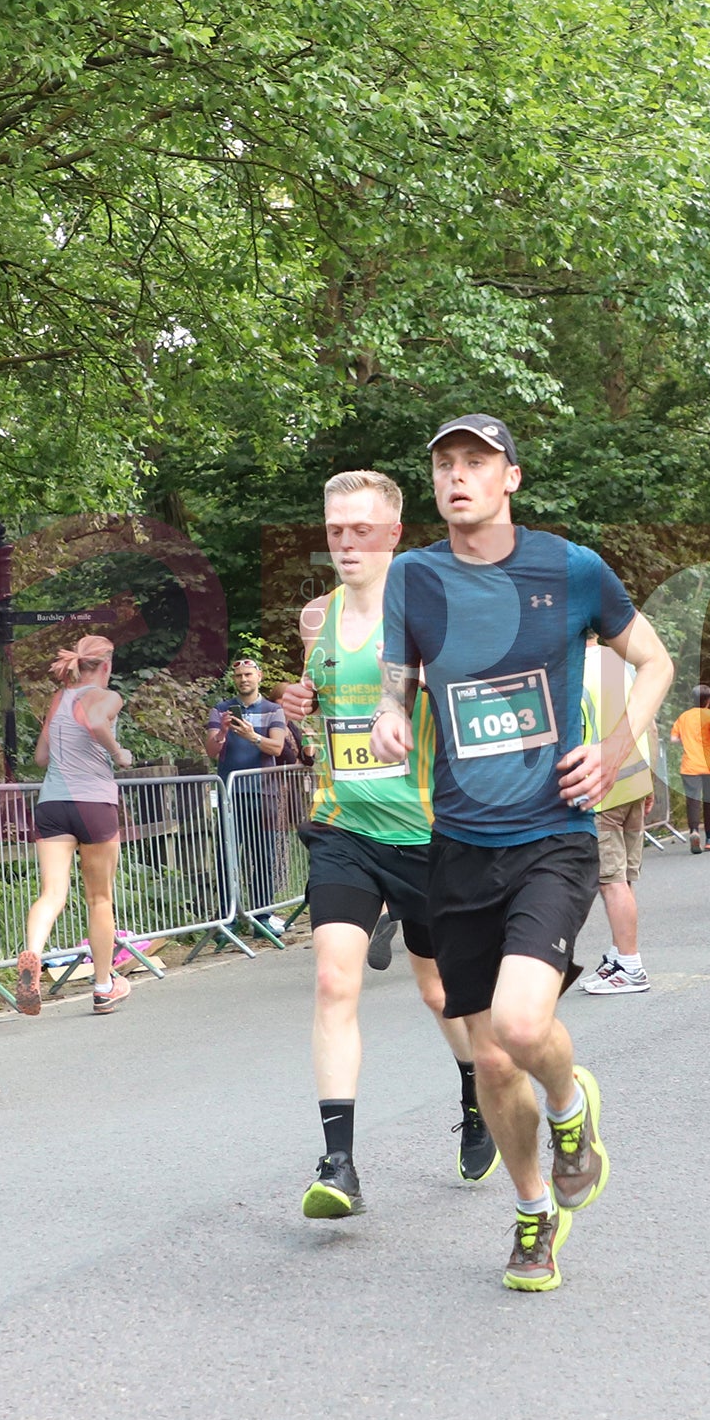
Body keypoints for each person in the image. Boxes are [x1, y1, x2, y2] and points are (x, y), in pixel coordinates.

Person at [372, 414, 673, 1291]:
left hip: (553, 834)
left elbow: (653, 660)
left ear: (510, 477)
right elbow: (399, 677)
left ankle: (571, 1105)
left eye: (477, 462)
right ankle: (535, 1211)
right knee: (493, 1060)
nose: (457, 476)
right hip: (460, 845)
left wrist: (614, 748)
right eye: (445, 464)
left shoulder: (570, 568)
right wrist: (391, 712)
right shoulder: (413, 578)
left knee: (519, 1026)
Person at [278, 469, 497, 1218]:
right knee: (333, 980)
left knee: (441, 992)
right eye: (335, 531)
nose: (347, 544)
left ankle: (475, 1094)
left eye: (362, 531)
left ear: (394, 534)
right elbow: (318, 699)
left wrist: (424, 690)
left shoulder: (433, 611)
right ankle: (338, 1163)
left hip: (431, 834)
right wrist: (298, 700)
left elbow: (479, 701)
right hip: (345, 827)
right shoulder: (318, 616)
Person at [15, 636, 134, 1017]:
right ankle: (103, 987)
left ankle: (32, 953)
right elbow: (97, 722)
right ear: (106, 665)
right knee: (99, 899)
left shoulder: (59, 699)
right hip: (93, 802)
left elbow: (41, 756)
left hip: (52, 803)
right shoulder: (108, 696)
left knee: (52, 893)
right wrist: (118, 753)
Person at [580, 635, 655, 994]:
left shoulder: (572, 671)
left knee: (611, 881)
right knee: (623, 878)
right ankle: (617, 955)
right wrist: (649, 779)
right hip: (635, 780)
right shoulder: (623, 662)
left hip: (602, 787)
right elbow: (648, 722)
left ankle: (630, 965)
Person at [205, 658, 288, 935]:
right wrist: (223, 731)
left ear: (259, 676)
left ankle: (262, 917)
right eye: (239, 675)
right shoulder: (221, 709)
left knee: (263, 855)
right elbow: (211, 750)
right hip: (230, 794)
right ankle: (227, 920)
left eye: (248, 675)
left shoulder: (273, 709)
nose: (244, 679)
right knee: (226, 857)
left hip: (264, 793)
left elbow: (277, 748)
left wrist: (253, 737)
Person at [669, 684, 710, 853]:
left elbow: (673, 739)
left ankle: (694, 831)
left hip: (690, 765)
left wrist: (686, 741)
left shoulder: (684, 717)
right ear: (708, 700)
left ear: (692, 699)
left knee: (692, 799)